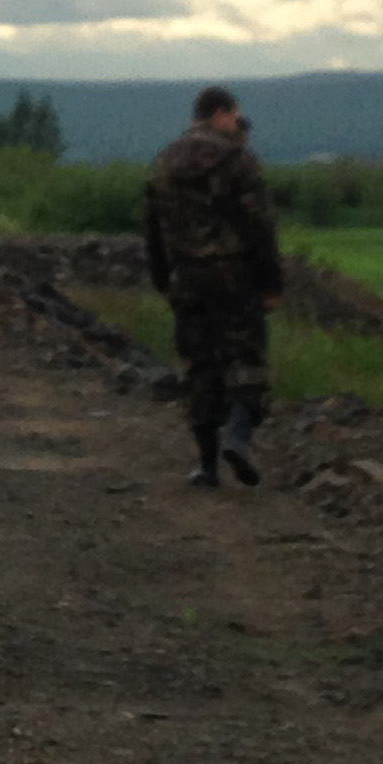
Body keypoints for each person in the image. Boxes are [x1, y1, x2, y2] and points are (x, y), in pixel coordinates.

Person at [143, 85, 283, 490]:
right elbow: (260, 225)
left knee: (199, 367)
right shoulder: (236, 160)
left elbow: (153, 230)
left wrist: (162, 280)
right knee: (246, 357)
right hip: (233, 275)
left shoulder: (164, 162)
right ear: (221, 113)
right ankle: (237, 435)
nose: (239, 123)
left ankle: (206, 467)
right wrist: (270, 282)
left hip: (186, 278)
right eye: (236, 115)